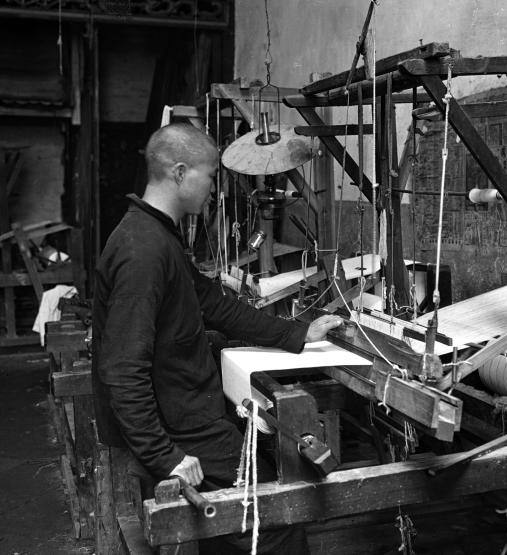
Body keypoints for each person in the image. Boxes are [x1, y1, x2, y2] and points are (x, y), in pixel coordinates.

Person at [91, 122, 341, 553]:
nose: (213, 189)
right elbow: (121, 370)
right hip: (178, 427)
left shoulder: (157, 235)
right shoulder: (143, 251)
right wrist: (164, 456)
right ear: (180, 172)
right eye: (210, 176)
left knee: (244, 511)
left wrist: (299, 333)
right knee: (279, 511)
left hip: (184, 412)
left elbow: (216, 305)